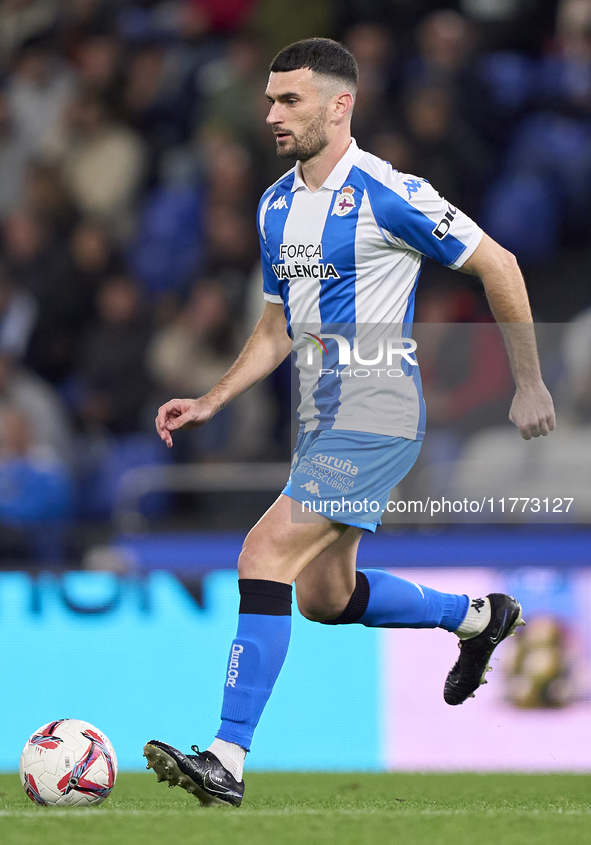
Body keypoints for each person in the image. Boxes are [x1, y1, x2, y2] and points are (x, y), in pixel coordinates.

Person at [145, 38, 556, 807]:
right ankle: (479, 617)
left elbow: (497, 262)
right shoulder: (274, 204)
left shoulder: (386, 190)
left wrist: (528, 381)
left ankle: (227, 756)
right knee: (324, 598)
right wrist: (213, 397)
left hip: (377, 409)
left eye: (289, 100)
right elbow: (277, 328)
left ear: (340, 105)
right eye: (269, 99)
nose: (271, 114)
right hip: (317, 417)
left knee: (263, 549)